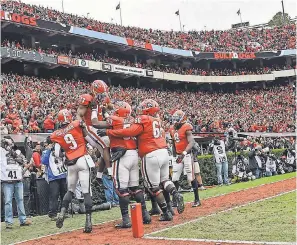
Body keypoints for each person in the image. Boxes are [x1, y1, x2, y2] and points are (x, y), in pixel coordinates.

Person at [105, 99, 184, 221]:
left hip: (150, 153)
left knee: (154, 187)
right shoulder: (157, 120)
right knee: (165, 180)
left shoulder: (144, 119)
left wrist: (110, 131)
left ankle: (166, 213)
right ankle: (175, 193)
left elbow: (130, 131)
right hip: (163, 151)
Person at [92, 101, 151, 228]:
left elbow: (96, 124)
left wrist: (93, 110)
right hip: (133, 154)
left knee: (122, 189)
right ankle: (145, 215)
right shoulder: (133, 120)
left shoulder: (115, 119)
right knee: (135, 187)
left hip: (121, 154)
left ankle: (126, 219)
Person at [50, 109, 94, 233]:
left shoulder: (57, 133)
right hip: (82, 158)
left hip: (71, 163)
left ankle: (62, 212)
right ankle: (88, 221)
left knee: (70, 190)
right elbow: (89, 139)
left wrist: (66, 155)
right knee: (86, 191)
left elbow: (57, 154)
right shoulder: (76, 124)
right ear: (69, 117)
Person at [170, 110, 201, 207]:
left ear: (182, 118)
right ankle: (174, 200)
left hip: (186, 155)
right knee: (174, 178)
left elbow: (191, 142)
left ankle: (197, 199)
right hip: (178, 155)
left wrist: (183, 153)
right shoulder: (172, 128)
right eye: (174, 118)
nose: (175, 121)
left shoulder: (186, 127)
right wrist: (174, 155)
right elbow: (174, 143)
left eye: (177, 118)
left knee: (191, 177)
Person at [1, 137, 32, 229]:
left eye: (10, 143)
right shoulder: (1, 152)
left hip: (18, 180)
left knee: (20, 200)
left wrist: (12, 152)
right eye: (7, 143)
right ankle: (9, 222)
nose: (9, 145)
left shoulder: (18, 152)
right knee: (8, 201)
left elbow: (23, 161)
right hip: (7, 181)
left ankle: (23, 219)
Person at [41, 137, 67, 221]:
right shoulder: (46, 151)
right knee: (54, 195)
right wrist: (49, 150)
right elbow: (44, 161)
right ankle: (53, 213)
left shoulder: (61, 149)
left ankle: (64, 212)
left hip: (62, 174)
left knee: (64, 194)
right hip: (53, 176)